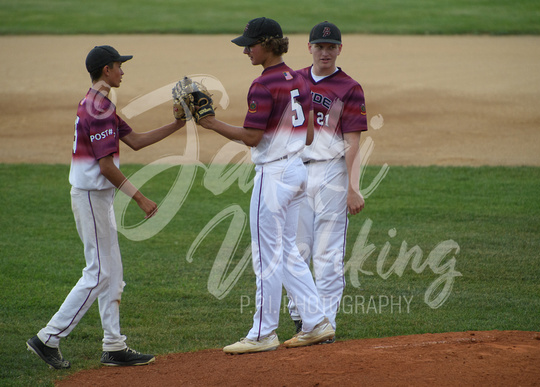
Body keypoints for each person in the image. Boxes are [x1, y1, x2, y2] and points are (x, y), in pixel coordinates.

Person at [26, 45, 185, 369]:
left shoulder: (100, 103)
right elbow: (106, 167)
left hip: (97, 198)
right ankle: (48, 338)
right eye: (118, 66)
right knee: (98, 272)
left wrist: (178, 125)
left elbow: (136, 140)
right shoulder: (98, 108)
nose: (123, 71)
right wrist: (140, 198)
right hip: (90, 197)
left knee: (113, 275)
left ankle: (114, 346)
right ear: (106, 70)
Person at [197, 17, 335, 354]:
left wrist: (211, 123)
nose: (246, 49)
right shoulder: (300, 79)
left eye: (251, 44)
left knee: (266, 256)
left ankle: (263, 333)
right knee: (287, 251)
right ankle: (316, 322)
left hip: (273, 177)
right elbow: (311, 134)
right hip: (298, 172)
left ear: (269, 44)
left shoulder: (263, 85)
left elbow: (251, 137)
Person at [287, 21, 368, 337]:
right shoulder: (293, 82)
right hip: (296, 170)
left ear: (339, 49)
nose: (325, 52)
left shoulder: (349, 88)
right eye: (319, 46)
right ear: (309, 48)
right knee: (296, 250)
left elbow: (353, 143)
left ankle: (327, 324)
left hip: (332, 173)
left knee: (328, 255)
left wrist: (353, 187)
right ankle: (302, 317)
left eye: (331, 46)